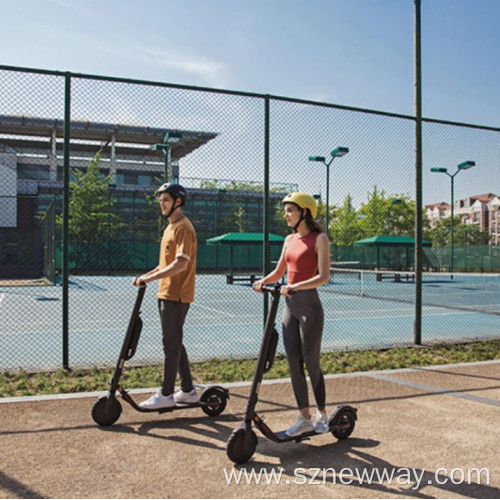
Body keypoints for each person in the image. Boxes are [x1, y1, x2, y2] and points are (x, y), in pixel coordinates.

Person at [252, 192, 330, 436]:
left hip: (310, 309)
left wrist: (296, 286)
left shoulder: (320, 239)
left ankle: (322, 414)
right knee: (293, 363)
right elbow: (279, 272)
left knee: (311, 362)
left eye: (289, 210)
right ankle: (304, 418)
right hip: (290, 307)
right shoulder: (289, 239)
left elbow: (324, 276)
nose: (285, 214)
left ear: (304, 212)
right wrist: (262, 281)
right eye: (285, 210)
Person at [133, 183, 198, 409]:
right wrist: (147, 275)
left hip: (177, 294)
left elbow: (181, 264)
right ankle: (188, 391)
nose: (162, 204)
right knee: (175, 341)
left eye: (166, 200)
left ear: (178, 202)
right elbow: (165, 264)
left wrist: (149, 280)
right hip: (166, 291)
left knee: (170, 343)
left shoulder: (183, 228)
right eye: (160, 200)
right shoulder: (169, 227)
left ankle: (166, 394)